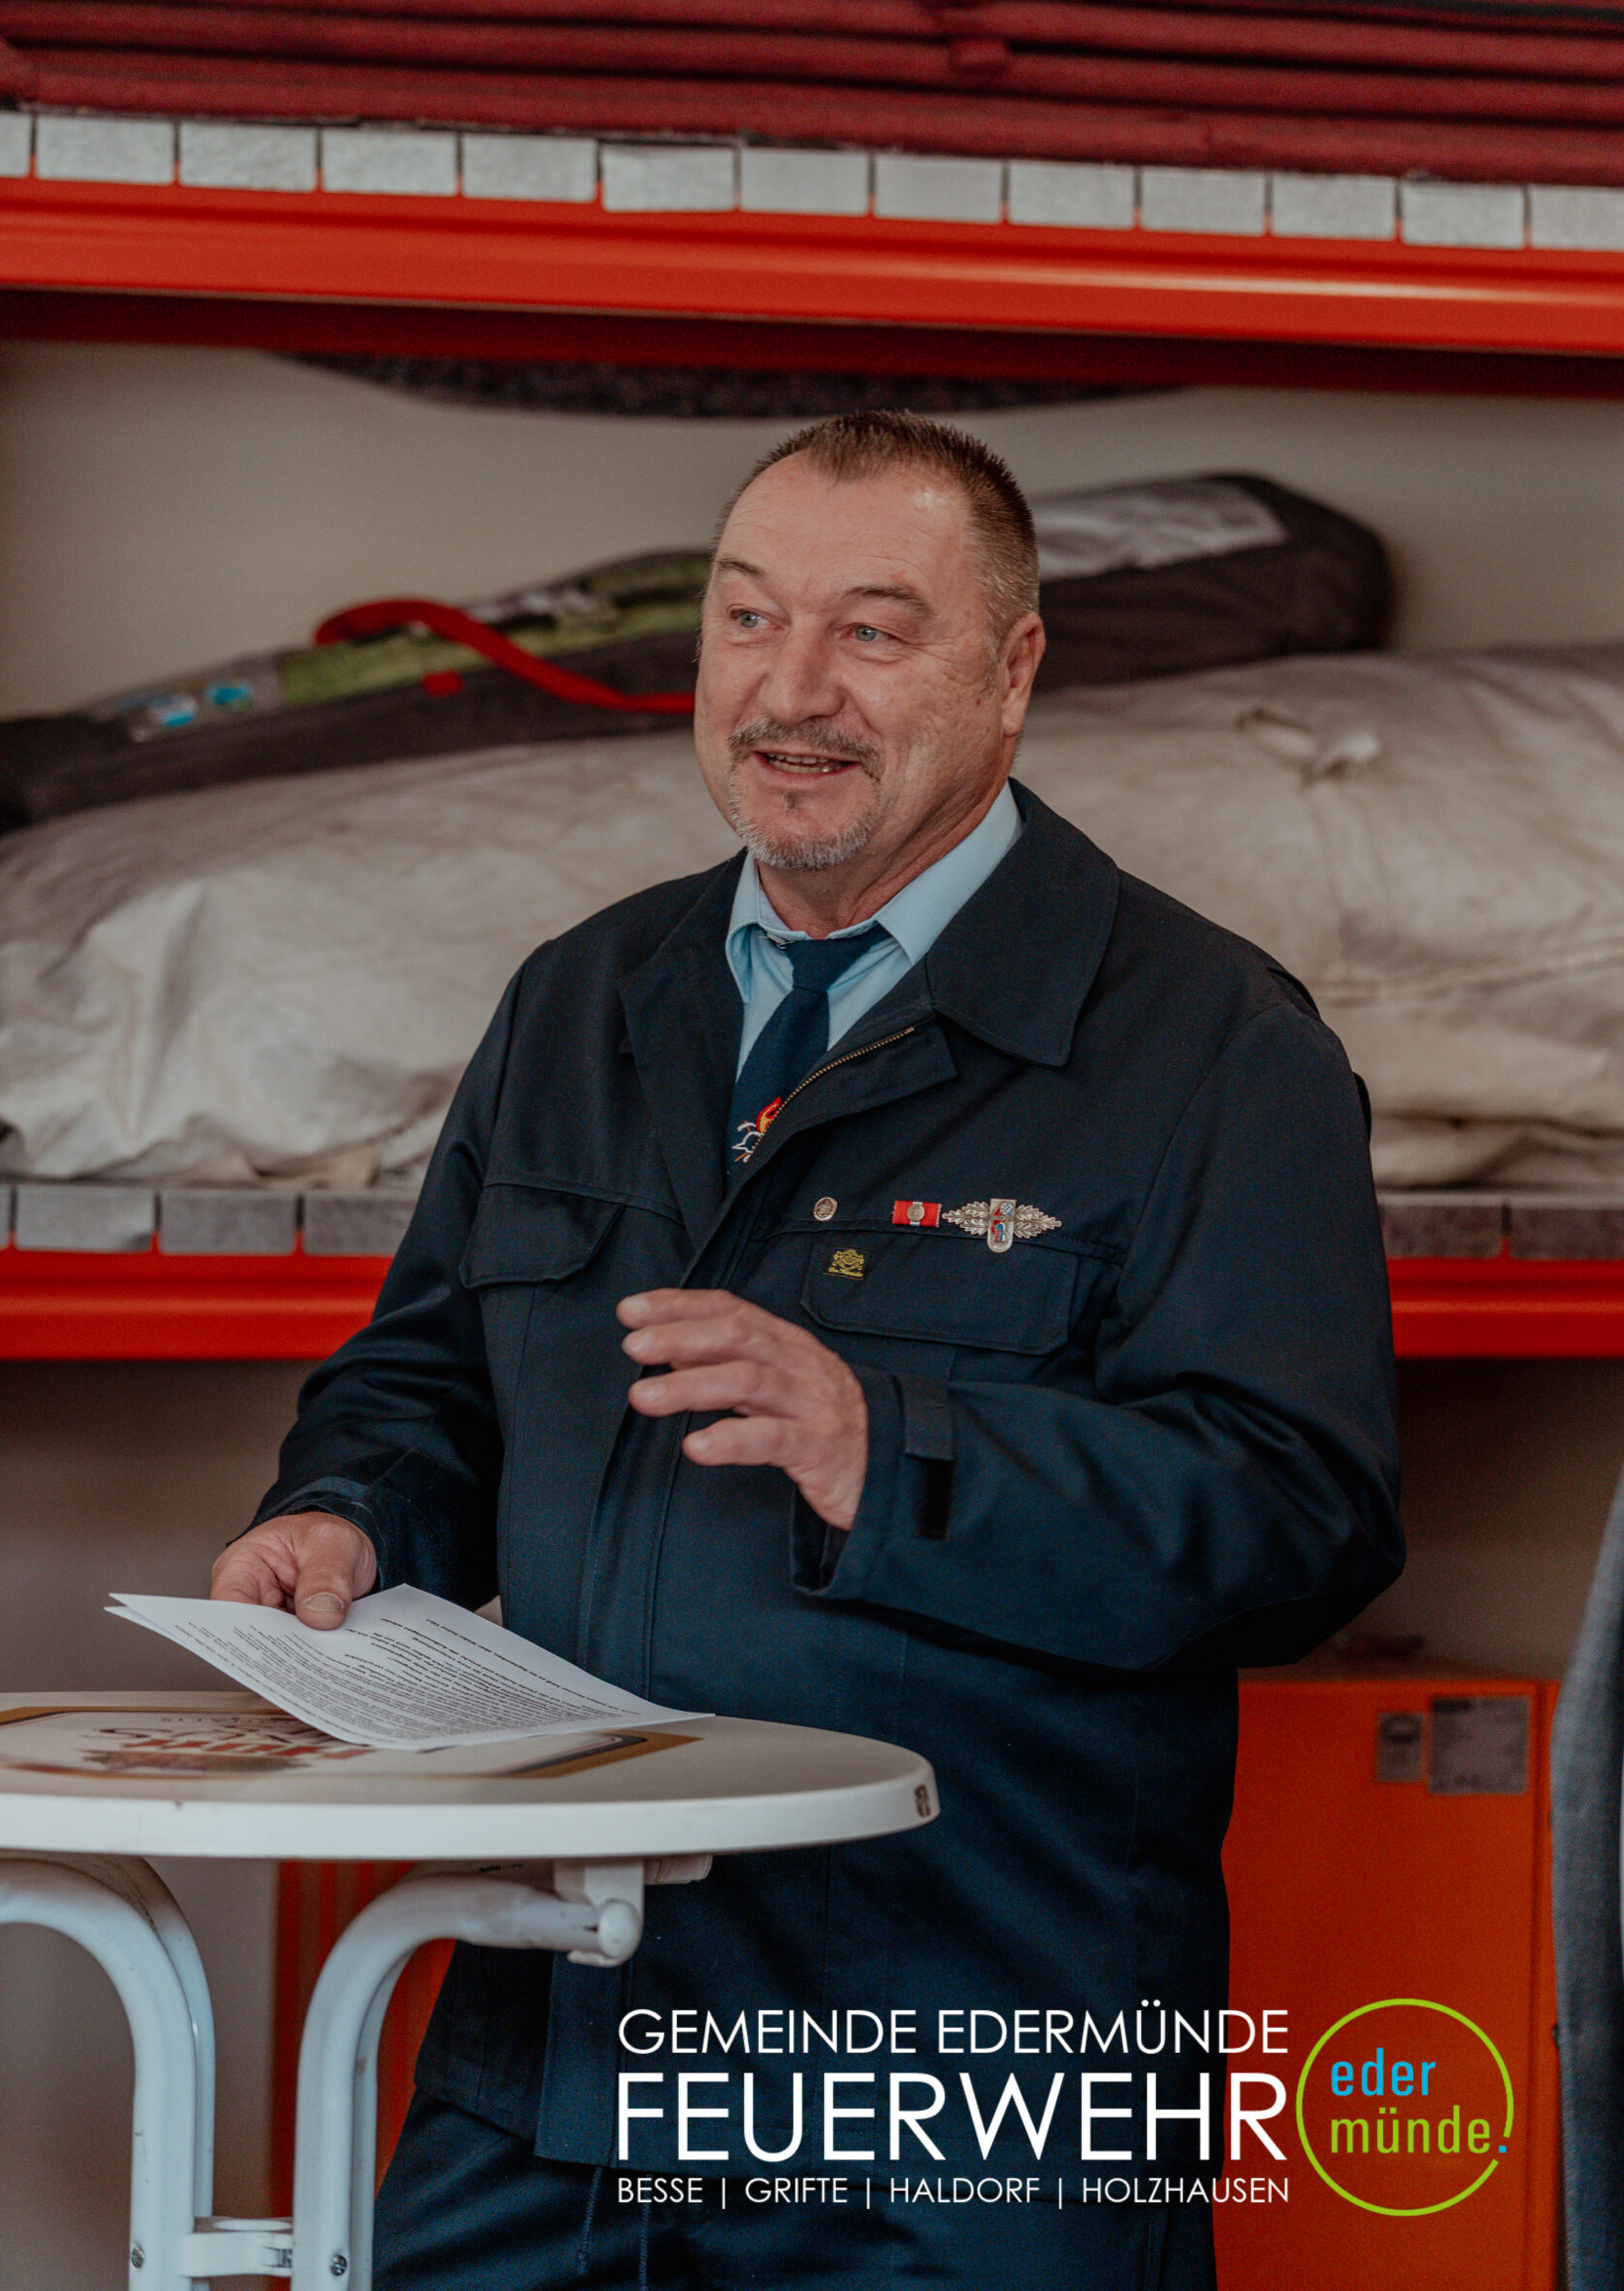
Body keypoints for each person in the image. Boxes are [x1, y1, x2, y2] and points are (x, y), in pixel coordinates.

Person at [216, 412, 1403, 2289]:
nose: (790, 692)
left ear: (1013, 669)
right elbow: (434, 1373)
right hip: (565, 2042)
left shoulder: (1209, 1047)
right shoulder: (584, 1000)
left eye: (872, 630)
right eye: (749, 618)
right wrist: (348, 1513)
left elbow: (1301, 1519)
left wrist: (883, 1443)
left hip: (964, 2083)